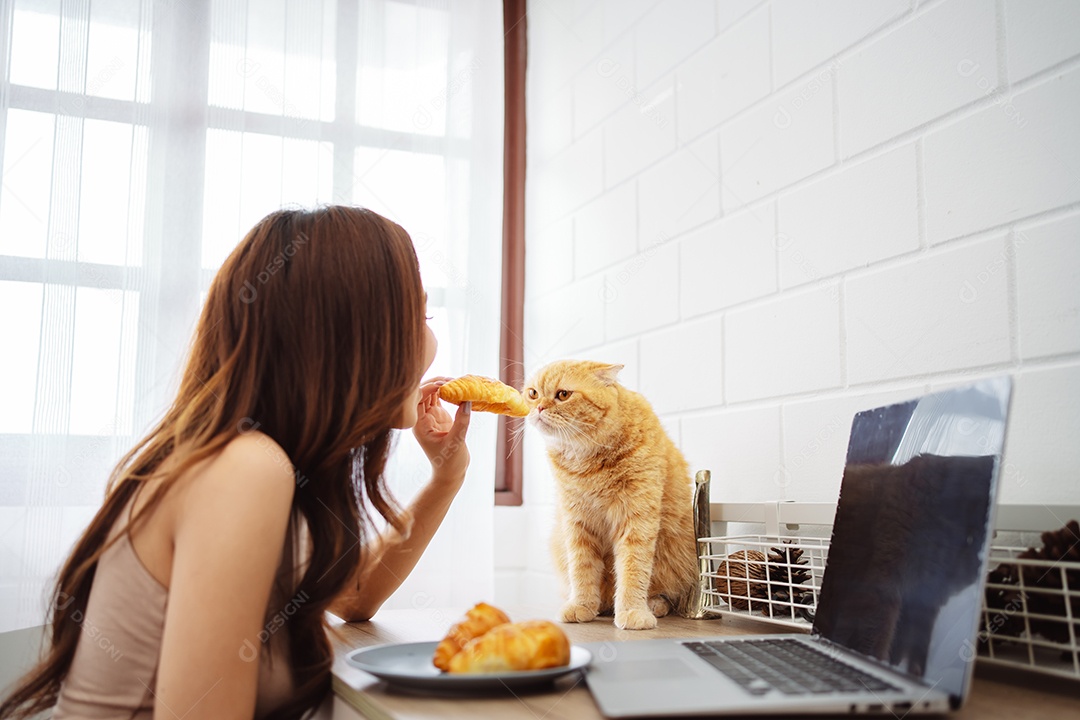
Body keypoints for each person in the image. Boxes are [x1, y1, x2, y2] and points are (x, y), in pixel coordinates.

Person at [0, 206, 472, 720]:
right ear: (350, 332)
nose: (431, 342)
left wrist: (447, 475)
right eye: (420, 317)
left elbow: (354, 597)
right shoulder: (244, 470)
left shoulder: (262, 463)